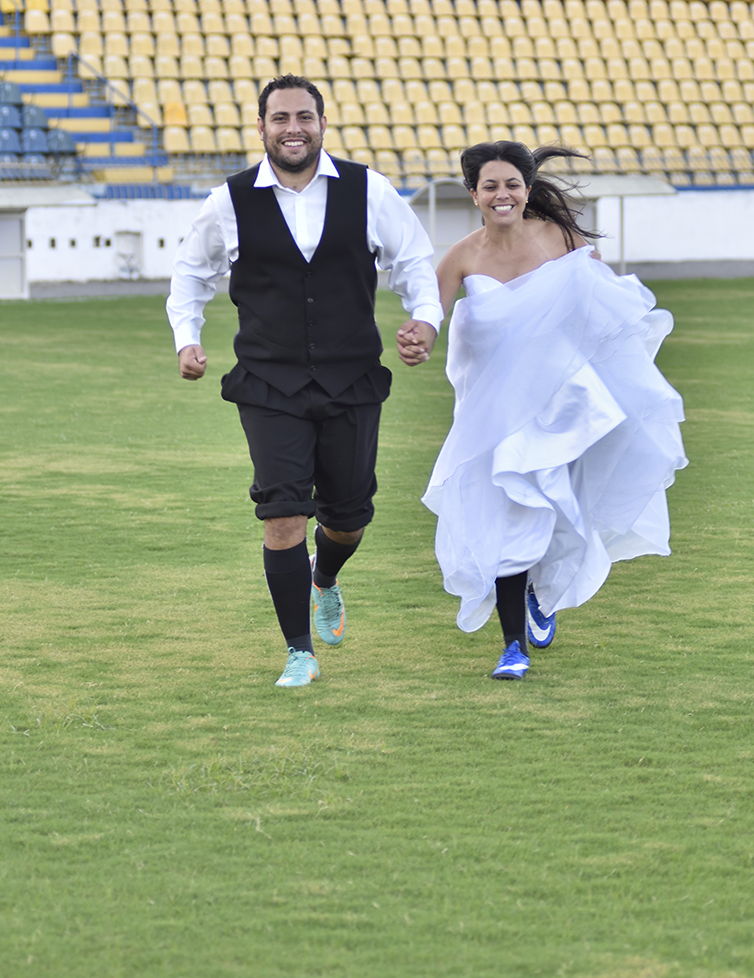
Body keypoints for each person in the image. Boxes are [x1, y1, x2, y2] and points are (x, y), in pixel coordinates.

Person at [167, 74, 441, 687]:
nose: (293, 127)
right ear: (261, 127)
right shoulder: (227, 201)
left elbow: (416, 262)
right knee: (283, 513)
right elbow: (190, 274)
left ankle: (326, 576)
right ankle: (298, 651)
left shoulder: (369, 190)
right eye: (280, 118)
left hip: (351, 379)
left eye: (305, 117)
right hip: (268, 382)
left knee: (348, 518)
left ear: (322, 124)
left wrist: (425, 320)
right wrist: (187, 337)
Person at [422, 141, 687, 680]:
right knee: (510, 516)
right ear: (473, 193)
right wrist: (417, 337)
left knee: (561, 509)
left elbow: (602, 300)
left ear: (526, 189)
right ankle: (513, 645)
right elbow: (430, 317)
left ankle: (544, 592)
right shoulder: (460, 259)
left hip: (565, 407)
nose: (503, 194)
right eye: (490, 185)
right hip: (496, 417)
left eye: (512, 184)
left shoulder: (560, 239)